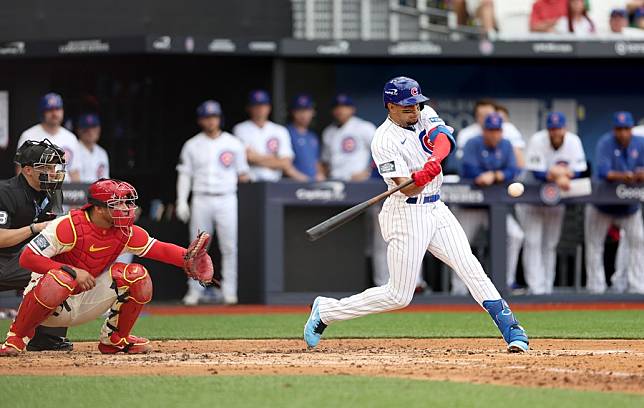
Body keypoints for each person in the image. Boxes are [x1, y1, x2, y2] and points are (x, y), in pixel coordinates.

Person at [304, 77, 529, 353]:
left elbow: (444, 141)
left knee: (470, 266)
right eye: (407, 107)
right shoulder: (383, 140)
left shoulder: (423, 113)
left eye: (416, 105)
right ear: (390, 106)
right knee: (399, 295)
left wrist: (433, 163)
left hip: (436, 207)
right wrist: (417, 179)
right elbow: (407, 189)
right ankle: (326, 311)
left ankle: (512, 329)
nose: (415, 111)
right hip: (406, 214)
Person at [0, 178, 215, 356]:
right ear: (100, 209)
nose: (127, 209)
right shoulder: (68, 226)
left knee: (137, 275)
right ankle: (16, 338)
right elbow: (27, 258)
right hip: (49, 304)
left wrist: (187, 258)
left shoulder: (125, 231)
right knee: (62, 277)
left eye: (128, 203)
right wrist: (73, 271)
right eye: (119, 204)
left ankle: (115, 339)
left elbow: (158, 249)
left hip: (86, 299)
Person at [0, 139, 74, 351]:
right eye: (46, 167)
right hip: (3, 257)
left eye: (54, 166)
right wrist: (35, 228)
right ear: (28, 170)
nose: (52, 172)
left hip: (19, 259)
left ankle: (47, 338)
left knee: (63, 270)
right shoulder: (5, 192)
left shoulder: (49, 193)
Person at [176, 100, 250, 306]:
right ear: (201, 120)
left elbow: (243, 174)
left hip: (226, 197)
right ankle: (194, 291)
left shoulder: (233, 143)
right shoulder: (192, 144)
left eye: (214, 117)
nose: (211, 121)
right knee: (195, 248)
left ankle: (229, 291)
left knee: (229, 247)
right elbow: (184, 175)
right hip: (201, 197)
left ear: (220, 119)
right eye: (207, 117)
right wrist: (182, 200)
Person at [452, 112, 524, 294]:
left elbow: (513, 169)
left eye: (497, 130)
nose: (494, 134)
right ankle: (458, 289)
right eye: (490, 130)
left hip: (496, 208)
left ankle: (507, 282)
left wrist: (496, 175)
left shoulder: (506, 145)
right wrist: (482, 175)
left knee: (515, 235)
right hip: (470, 206)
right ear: (484, 130)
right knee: (456, 244)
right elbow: (467, 168)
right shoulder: (472, 143)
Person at [516, 112, 587, 295]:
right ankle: (535, 288)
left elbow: (579, 171)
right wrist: (559, 174)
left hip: (556, 200)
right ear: (547, 129)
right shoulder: (537, 140)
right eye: (552, 128)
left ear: (565, 128)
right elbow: (537, 173)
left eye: (558, 128)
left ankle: (546, 288)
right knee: (533, 242)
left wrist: (558, 174)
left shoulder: (573, 141)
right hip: (532, 199)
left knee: (550, 244)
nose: (555, 132)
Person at [585, 111, 644, 294]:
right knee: (594, 245)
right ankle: (596, 288)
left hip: (629, 206)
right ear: (614, 129)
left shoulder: (640, 143)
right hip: (602, 205)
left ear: (631, 129)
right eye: (619, 129)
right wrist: (628, 176)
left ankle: (636, 287)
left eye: (626, 128)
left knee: (638, 242)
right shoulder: (605, 142)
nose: (623, 133)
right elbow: (605, 172)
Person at [233, 90, 306, 182]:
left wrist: (257, 158)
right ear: (249, 108)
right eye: (256, 105)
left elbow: (286, 163)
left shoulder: (280, 130)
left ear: (269, 107)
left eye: (263, 105)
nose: (260, 109)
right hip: (251, 182)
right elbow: (247, 157)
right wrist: (274, 159)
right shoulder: (240, 129)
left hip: (274, 182)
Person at [16, 93, 81, 182]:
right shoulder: (28, 136)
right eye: (50, 110)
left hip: (65, 191)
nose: (54, 113)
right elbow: (21, 170)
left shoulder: (71, 138)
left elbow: (74, 172)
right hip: (37, 190)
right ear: (42, 112)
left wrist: (78, 193)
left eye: (57, 109)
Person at [320, 93, 376, 181]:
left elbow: (383, 152)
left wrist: (369, 171)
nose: (340, 110)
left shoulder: (364, 127)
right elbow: (325, 161)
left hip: (356, 182)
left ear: (352, 109)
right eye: (336, 107)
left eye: (345, 107)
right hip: (334, 181)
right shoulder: (328, 132)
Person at [456, 99, 525, 168]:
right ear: (476, 117)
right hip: (475, 175)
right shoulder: (466, 133)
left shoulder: (509, 129)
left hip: (504, 174)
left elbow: (519, 160)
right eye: (481, 115)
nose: (485, 118)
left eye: (488, 114)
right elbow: (463, 162)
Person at [286, 94, 325, 181]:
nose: (303, 114)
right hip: (292, 184)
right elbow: (285, 164)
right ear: (293, 112)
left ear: (313, 112)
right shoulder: (286, 133)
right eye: (300, 110)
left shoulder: (312, 136)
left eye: (307, 110)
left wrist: (320, 174)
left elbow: (316, 162)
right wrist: (304, 179)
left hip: (312, 186)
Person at [76, 113, 110, 182]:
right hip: (79, 191)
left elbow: (106, 181)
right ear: (79, 130)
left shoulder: (102, 153)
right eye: (86, 128)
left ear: (99, 129)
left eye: (94, 127)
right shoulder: (74, 150)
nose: (90, 132)